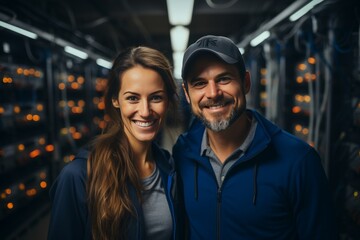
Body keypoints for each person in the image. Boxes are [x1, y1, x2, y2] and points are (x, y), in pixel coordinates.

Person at [172, 35, 338, 239]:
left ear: (246, 82)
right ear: (187, 94)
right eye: (199, 83)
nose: (213, 93)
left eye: (224, 78)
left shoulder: (298, 161)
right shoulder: (182, 153)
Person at [48, 46, 181, 240]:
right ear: (115, 100)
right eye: (133, 98)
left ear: (168, 101)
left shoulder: (169, 168)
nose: (145, 111)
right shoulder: (79, 176)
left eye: (156, 97)